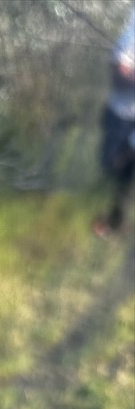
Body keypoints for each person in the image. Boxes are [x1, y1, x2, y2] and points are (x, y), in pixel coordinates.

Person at [94, 8, 135, 238]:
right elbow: (119, 77)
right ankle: (109, 221)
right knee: (111, 166)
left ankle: (113, 222)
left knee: (125, 179)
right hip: (120, 117)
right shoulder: (132, 35)